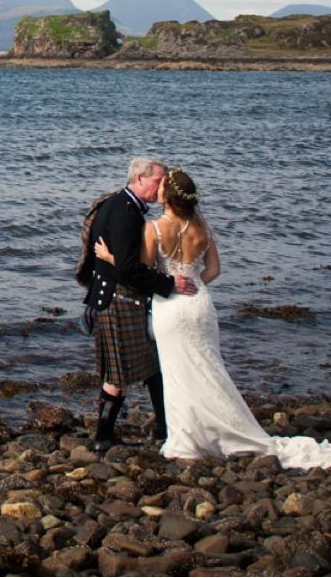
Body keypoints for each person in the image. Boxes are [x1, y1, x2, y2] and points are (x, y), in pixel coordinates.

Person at [95, 168, 331, 468]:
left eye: (162, 185)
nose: (158, 188)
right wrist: (194, 283)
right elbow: (214, 270)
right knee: (208, 366)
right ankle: (220, 425)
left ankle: (186, 437)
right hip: (199, 304)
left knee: (178, 373)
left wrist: (111, 258)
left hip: (171, 308)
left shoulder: (154, 228)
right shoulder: (202, 227)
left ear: (168, 195)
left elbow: (144, 271)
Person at [80, 156, 196, 452]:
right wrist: (170, 285)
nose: (162, 189)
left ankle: (163, 426)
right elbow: (129, 268)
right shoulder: (126, 213)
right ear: (140, 178)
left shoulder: (117, 203)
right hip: (118, 300)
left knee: (152, 365)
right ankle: (102, 437)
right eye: (158, 181)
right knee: (117, 376)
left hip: (116, 296)